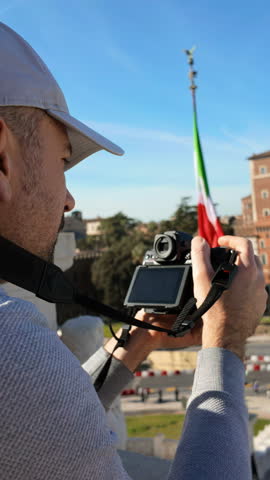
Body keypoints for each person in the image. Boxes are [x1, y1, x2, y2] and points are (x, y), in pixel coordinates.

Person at [0, 21, 267, 479]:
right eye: (63, 160)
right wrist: (227, 343)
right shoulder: (11, 346)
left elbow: (42, 425)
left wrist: (137, 338)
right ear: (2, 158)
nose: (69, 199)